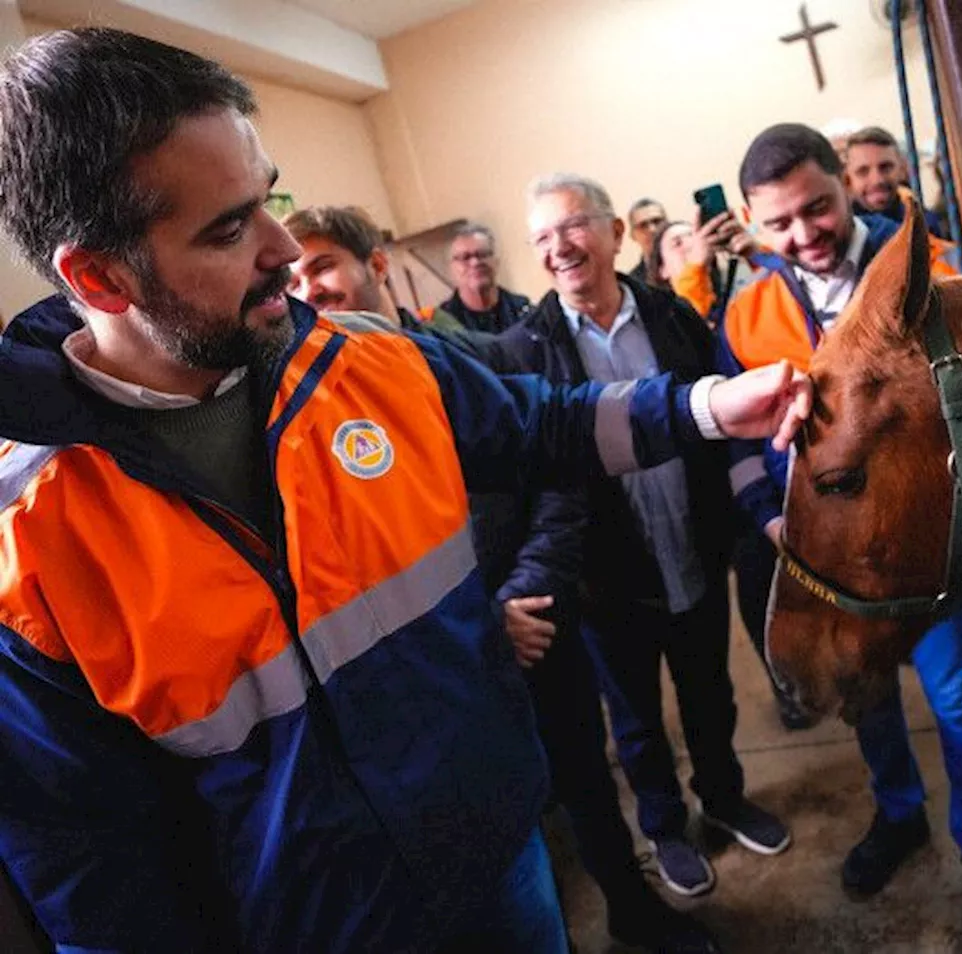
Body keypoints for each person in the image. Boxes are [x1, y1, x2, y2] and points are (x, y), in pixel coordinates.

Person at [0, 28, 811, 954]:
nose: (281, 248)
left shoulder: (365, 359)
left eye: (272, 199)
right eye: (228, 228)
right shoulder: (29, 541)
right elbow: (90, 865)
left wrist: (711, 404)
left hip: (501, 862)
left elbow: (541, 423)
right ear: (99, 278)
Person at [286, 201, 721, 954]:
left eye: (321, 264)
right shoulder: (301, 419)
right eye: (292, 275)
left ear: (376, 265)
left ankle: (629, 908)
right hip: (435, 667)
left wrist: (523, 593)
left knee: (586, 779)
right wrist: (476, 626)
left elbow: (558, 480)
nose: (308, 287)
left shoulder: (475, 363)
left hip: (537, 627)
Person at [718, 122, 962, 947]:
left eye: (818, 206)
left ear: (845, 184)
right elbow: (742, 449)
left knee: (957, 701)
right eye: (778, 223)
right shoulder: (746, 312)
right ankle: (899, 814)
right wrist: (773, 521)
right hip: (833, 557)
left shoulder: (929, 270)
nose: (803, 234)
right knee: (866, 697)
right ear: (751, 221)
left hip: (926, 544)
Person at [490, 173, 792, 900]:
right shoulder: (525, 347)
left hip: (692, 549)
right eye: (541, 238)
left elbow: (715, 424)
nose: (559, 248)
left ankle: (722, 798)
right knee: (635, 722)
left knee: (711, 695)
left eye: (573, 227)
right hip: (607, 578)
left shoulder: (672, 314)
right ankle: (663, 826)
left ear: (616, 232)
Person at [283, 204, 467, 334]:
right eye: (294, 285)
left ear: (377, 266)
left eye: (322, 268)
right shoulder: (306, 384)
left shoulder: (455, 359)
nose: (307, 294)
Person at [440, 221, 532, 333]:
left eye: (482, 254)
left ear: (496, 261)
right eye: (465, 257)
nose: (475, 262)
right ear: (451, 268)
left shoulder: (527, 314)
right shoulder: (441, 327)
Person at [626, 197, 668, 282]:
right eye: (643, 225)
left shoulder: (695, 264)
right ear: (633, 236)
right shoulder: (633, 283)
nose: (652, 229)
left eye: (657, 221)